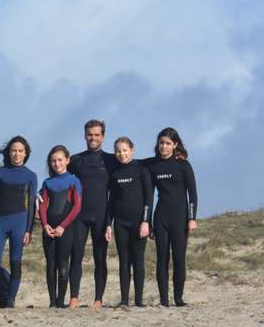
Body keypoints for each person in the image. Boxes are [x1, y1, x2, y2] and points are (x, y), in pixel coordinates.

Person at [143, 127, 198, 307]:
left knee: (179, 259)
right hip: (161, 217)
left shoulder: (183, 165)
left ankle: (178, 298)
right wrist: (147, 221)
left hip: (180, 218)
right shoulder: (153, 167)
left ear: (175, 145)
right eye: (161, 143)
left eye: (167, 143)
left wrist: (192, 218)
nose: (163, 147)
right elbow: (149, 198)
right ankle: (164, 300)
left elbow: (193, 194)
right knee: (162, 259)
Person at [68, 119, 117, 309]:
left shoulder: (111, 160)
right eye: (90, 134)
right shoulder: (76, 160)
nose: (93, 138)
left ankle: (98, 299)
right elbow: (57, 170)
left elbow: (135, 165)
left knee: (100, 257)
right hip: (79, 215)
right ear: (85, 135)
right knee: (76, 255)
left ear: (103, 137)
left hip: (102, 215)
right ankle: (74, 297)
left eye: (97, 135)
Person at [0, 136, 37, 307]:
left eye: (20, 151)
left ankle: (10, 300)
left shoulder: (31, 175)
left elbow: (31, 205)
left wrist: (29, 230)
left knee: (15, 261)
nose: (17, 154)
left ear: (25, 153)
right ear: (9, 152)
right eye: (14, 150)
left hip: (19, 222)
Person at [105, 137, 153, 307]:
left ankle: (139, 301)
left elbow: (149, 198)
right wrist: (108, 225)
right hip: (121, 223)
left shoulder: (141, 170)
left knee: (138, 260)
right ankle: (124, 300)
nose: (121, 154)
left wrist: (146, 221)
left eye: (124, 150)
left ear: (132, 150)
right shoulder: (115, 173)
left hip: (139, 223)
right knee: (124, 261)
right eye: (118, 150)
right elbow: (111, 201)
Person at [39, 145, 82, 308]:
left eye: (59, 160)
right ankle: (52, 301)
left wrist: (63, 226)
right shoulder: (47, 183)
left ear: (67, 160)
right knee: (51, 265)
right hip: (49, 228)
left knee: (63, 265)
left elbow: (77, 207)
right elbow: (42, 206)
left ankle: (61, 300)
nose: (56, 164)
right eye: (53, 161)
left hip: (66, 228)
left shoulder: (73, 181)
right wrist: (45, 225)